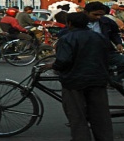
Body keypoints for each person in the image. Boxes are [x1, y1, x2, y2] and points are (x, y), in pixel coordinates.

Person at [43, 12, 114, 141]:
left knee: (77, 115)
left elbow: (63, 61)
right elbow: (108, 57)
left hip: (74, 81)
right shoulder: (99, 37)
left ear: (69, 23)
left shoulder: (67, 38)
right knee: (100, 115)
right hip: (98, 79)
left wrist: (53, 66)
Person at [81, 2, 124, 84]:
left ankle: (114, 80)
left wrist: (118, 43)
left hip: (105, 52)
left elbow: (114, 34)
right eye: (95, 14)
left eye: (101, 15)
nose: (98, 17)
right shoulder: (77, 21)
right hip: (85, 53)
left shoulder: (106, 21)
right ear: (86, 12)